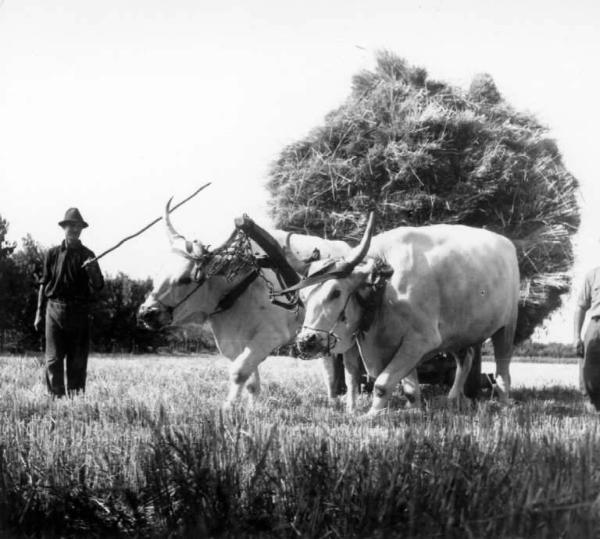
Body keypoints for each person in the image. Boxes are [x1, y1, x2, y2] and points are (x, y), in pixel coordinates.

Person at [34, 208, 104, 397]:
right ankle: (56, 400)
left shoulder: (89, 255)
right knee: (53, 360)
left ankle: (75, 403)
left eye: (78, 227)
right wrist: (38, 314)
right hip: (53, 310)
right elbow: (43, 284)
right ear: (64, 228)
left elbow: (98, 286)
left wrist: (92, 270)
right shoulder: (52, 254)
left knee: (77, 361)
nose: (74, 229)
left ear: (81, 230)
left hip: (79, 313)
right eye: (70, 226)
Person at [574, 266, 600, 411]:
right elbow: (580, 307)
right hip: (596, 325)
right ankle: (593, 408)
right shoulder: (593, 274)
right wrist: (576, 336)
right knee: (588, 371)